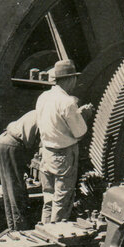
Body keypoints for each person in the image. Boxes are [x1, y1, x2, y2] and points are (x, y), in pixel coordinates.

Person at [35, 59, 94, 224]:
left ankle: (45, 231)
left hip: (46, 153)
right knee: (62, 199)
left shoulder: (43, 97)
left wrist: (76, 114)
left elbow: (52, 122)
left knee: (48, 197)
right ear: (70, 79)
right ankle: (56, 236)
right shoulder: (68, 102)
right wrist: (84, 116)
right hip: (63, 157)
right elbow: (79, 131)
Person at [0, 109, 39, 232]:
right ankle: (21, 228)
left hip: (2, 141)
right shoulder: (47, 116)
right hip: (12, 145)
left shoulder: (37, 111)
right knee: (17, 189)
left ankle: (13, 226)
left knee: (8, 188)